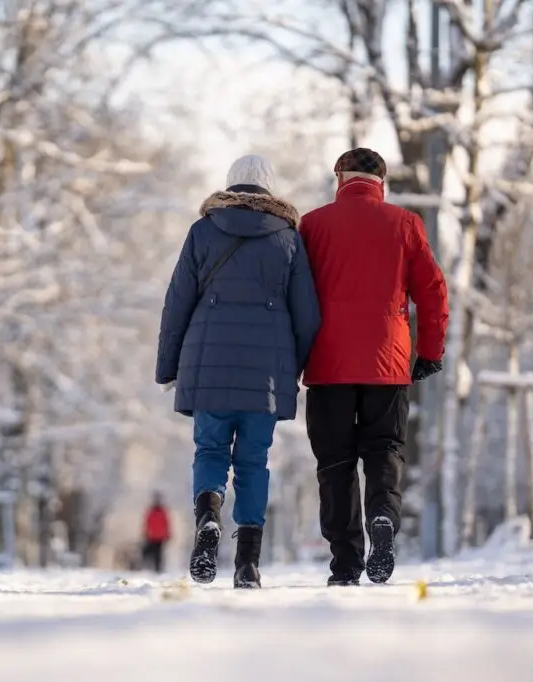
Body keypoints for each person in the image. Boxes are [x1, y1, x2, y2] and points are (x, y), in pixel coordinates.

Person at [155, 155, 321, 589]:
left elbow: (177, 303)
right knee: (253, 463)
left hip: (208, 365)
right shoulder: (287, 238)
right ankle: (247, 563)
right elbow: (307, 314)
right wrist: (293, 369)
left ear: (231, 185)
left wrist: (168, 366)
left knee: (210, 450)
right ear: (269, 188)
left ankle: (209, 514)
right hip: (265, 374)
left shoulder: (203, 231)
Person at [298, 148, 449, 586]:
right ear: (381, 183)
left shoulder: (313, 225)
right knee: (384, 449)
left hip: (328, 362)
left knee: (335, 462)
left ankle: (345, 562)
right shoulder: (405, 224)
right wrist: (430, 352)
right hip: (388, 361)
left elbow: (294, 295)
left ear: (340, 178)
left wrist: (291, 357)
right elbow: (433, 291)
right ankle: (382, 514)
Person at [141, 492, 172, 573]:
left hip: (158, 536)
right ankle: (154, 568)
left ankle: (157, 569)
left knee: (158, 553)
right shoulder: (153, 511)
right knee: (155, 552)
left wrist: (167, 534)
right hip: (153, 536)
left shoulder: (160, 512)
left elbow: (166, 523)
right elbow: (147, 523)